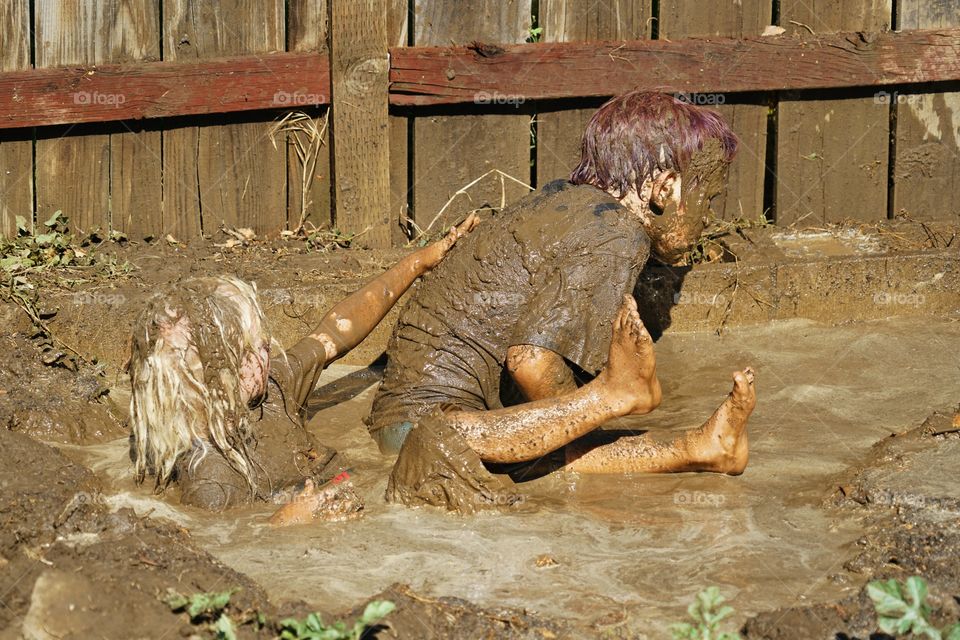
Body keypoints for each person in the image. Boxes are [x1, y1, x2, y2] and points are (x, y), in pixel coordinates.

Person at [368, 91, 757, 479]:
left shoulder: (564, 201)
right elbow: (530, 362)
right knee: (553, 448)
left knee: (551, 441)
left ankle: (702, 447)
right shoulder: (619, 232)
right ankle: (691, 443)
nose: (708, 217)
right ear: (665, 188)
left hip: (406, 425)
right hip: (429, 435)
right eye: (708, 199)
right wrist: (597, 405)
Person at [127, 214, 479, 512]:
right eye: (253, 348)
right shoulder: (212, 482)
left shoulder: (272, 391)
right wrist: (288, 521)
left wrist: (418, 264)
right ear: (212, 379)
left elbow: (335, 333)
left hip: (359, 490)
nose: (267, 349)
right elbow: (233, 543)